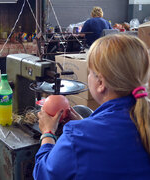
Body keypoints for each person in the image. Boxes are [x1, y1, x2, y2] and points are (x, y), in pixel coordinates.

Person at [33, 34, 150, 180]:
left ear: (100, 83)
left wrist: (47, 133)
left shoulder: (77, 135)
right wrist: (84, 123)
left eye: (90, 72)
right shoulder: (144, 118)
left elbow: (43, 174)